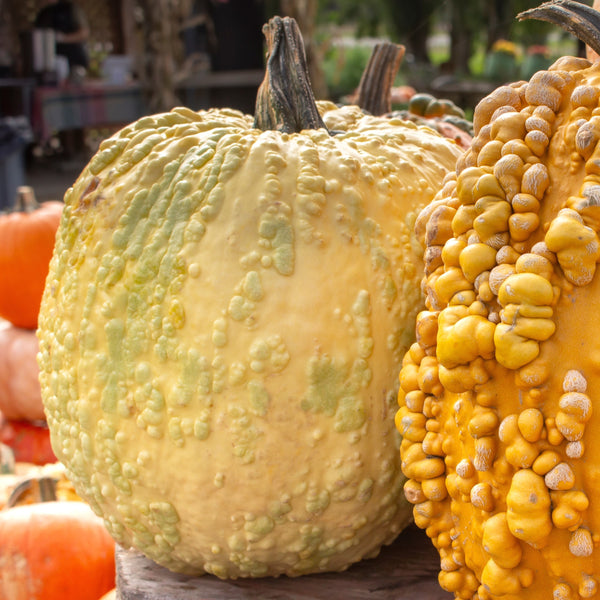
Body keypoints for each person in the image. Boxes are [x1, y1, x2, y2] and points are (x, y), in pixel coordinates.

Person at [34, 0, 89, 71]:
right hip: (51, 62)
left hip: (73, 60)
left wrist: (63, 38)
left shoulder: (70, 8)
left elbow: (84, 33)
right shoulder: (43, 13)